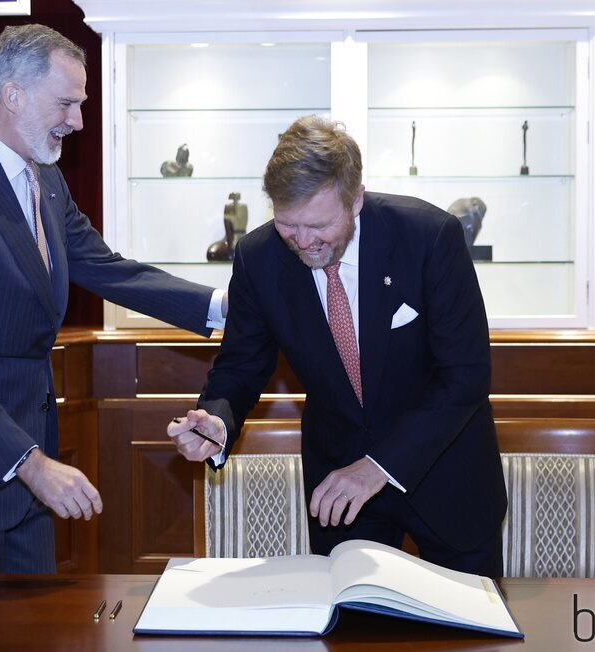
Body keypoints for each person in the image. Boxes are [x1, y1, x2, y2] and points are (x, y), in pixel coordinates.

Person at [0, 24, 226, 595]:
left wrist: (219, 306)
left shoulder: (45, 179)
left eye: (81, 104)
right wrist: (33, 464)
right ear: (12, 95)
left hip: (25, 477)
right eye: (66, 103)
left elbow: (106, 268)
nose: (78, 121)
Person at [168, 115, 506, 576]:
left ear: (356, 200)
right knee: (350, 634)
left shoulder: (428, 237)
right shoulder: (259, 257)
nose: (304, 243)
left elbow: (465, 377)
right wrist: (218, 421)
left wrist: (376, 467)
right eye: (288, 224)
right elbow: (240, 365)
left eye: (319, 225)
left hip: (446, 477)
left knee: (469, 632)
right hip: (340, 493)